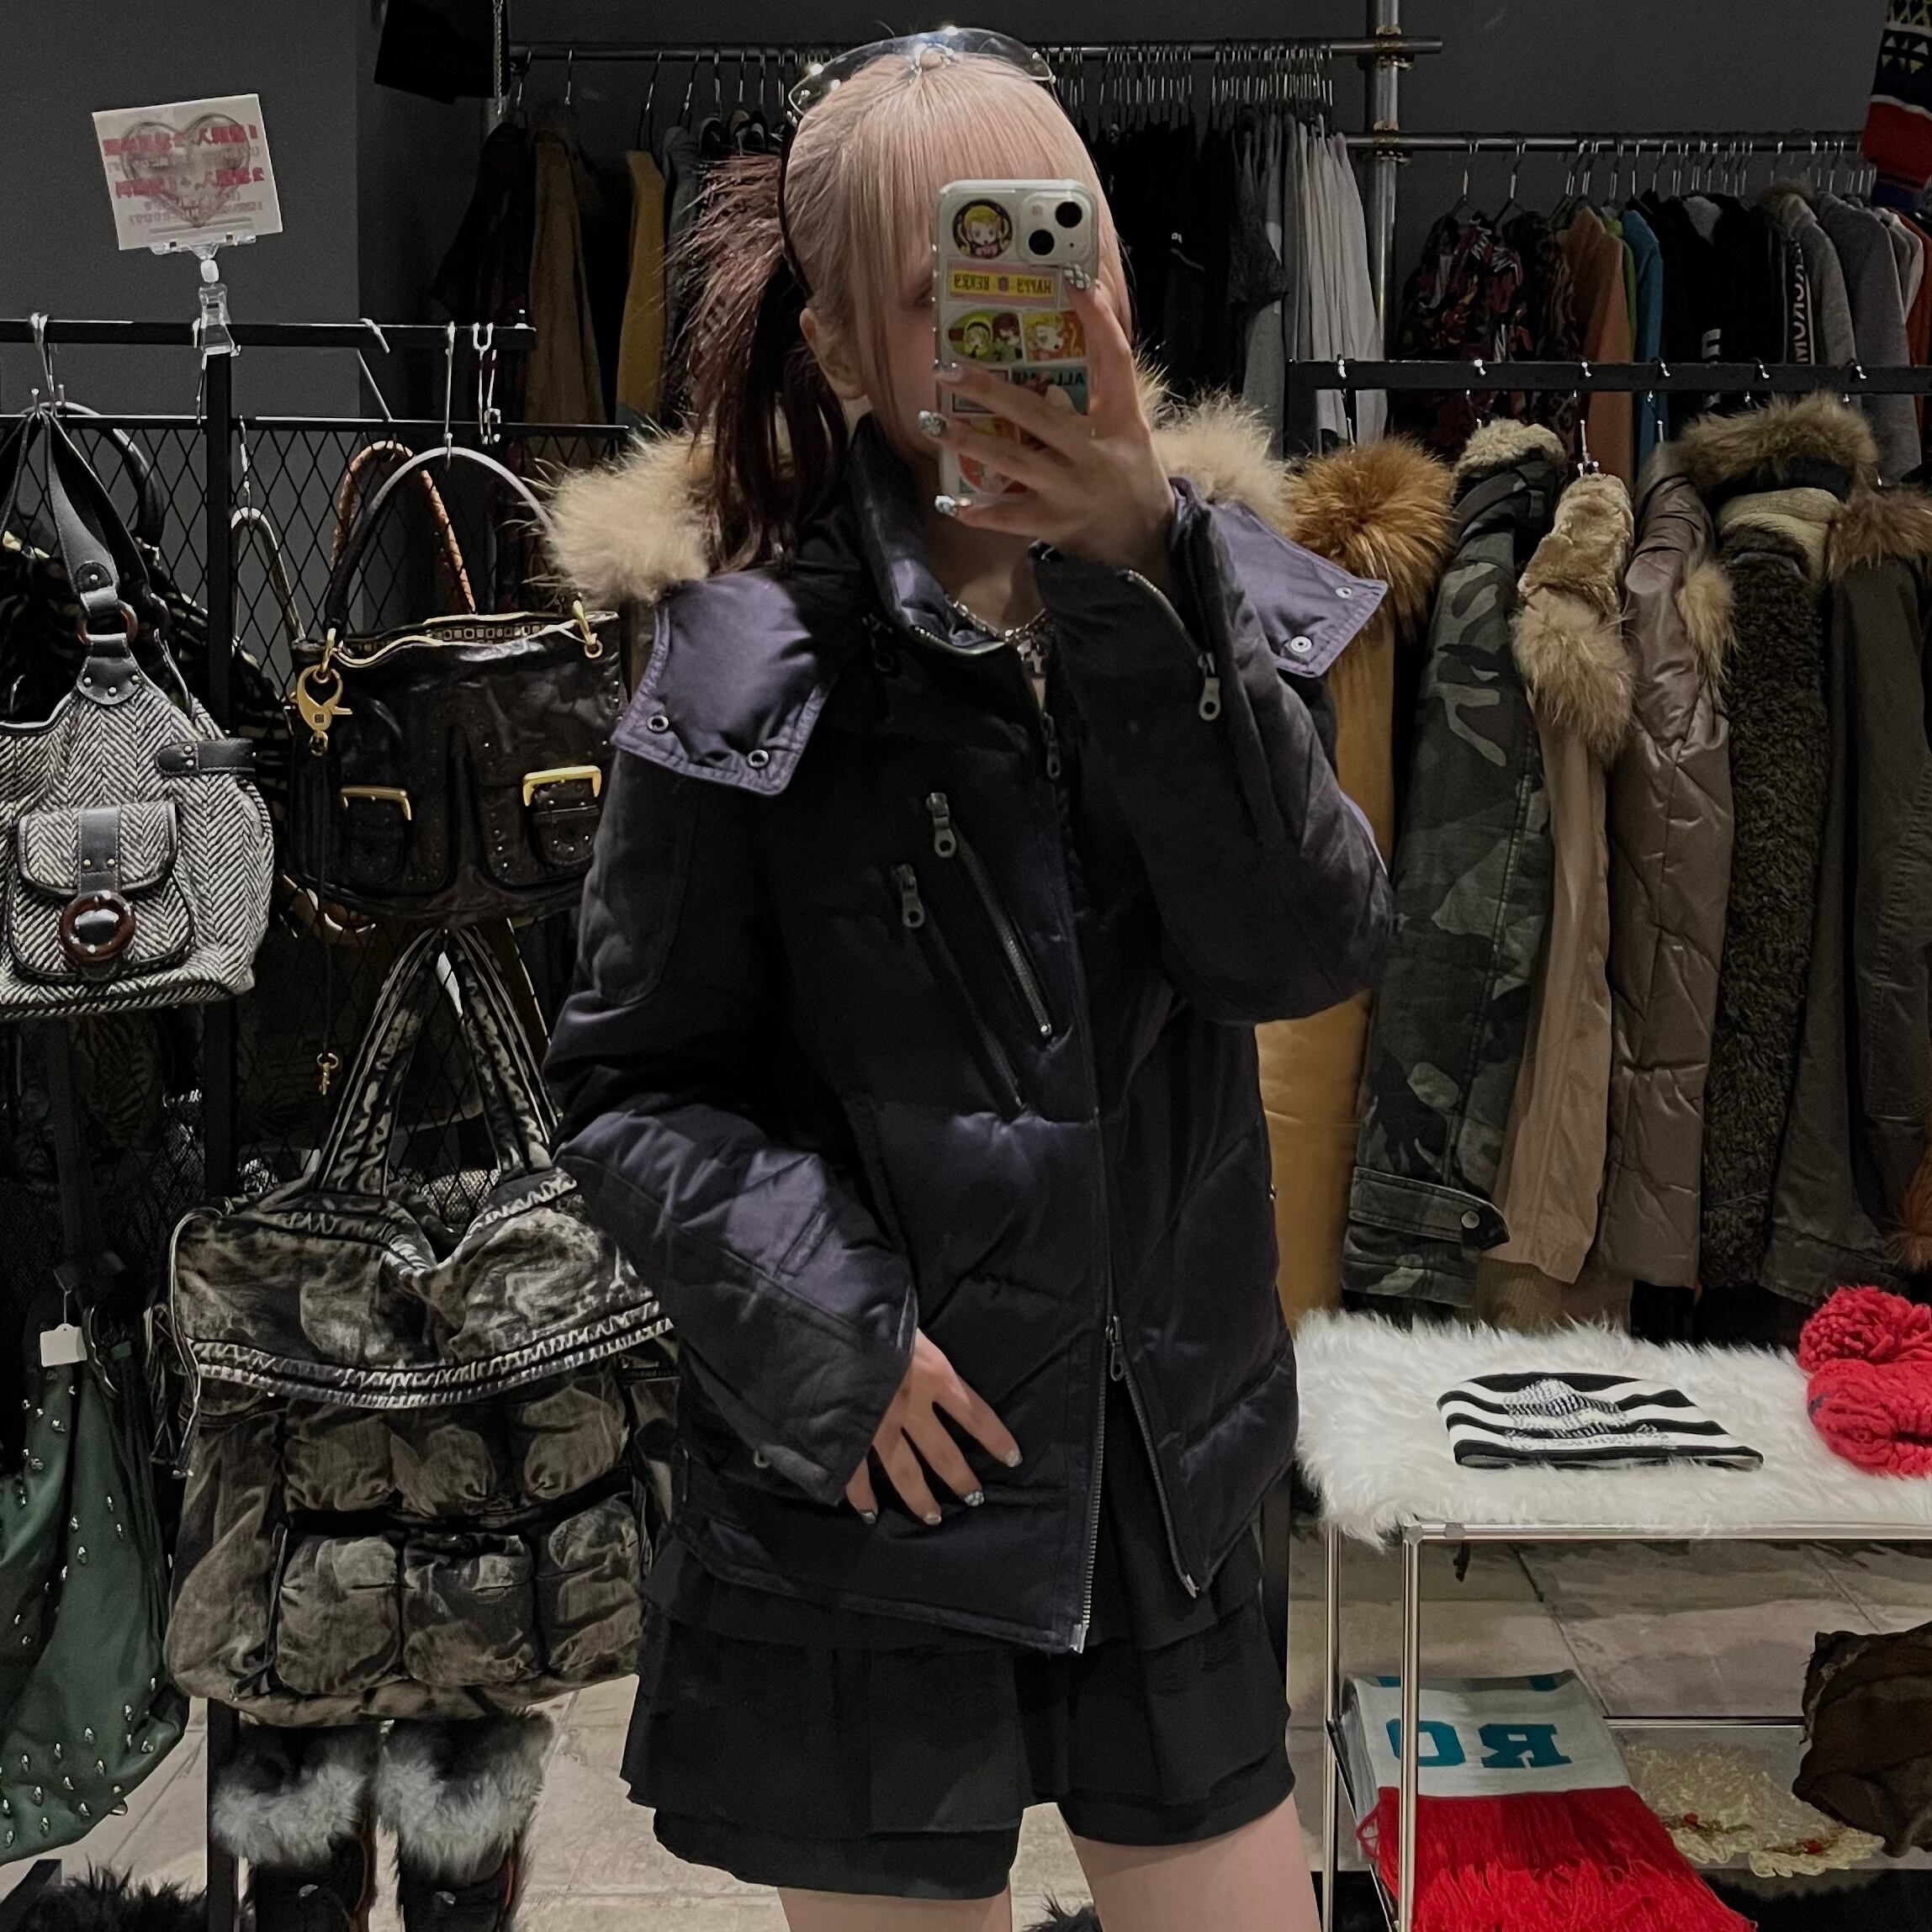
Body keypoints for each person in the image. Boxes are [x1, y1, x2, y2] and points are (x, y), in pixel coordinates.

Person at [543, 29, 1390, 1932]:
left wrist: (1138, 578)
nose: (1034, 325)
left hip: (1162, 1465)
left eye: (1060, 250)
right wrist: (828, 1336)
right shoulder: (743, 666)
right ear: (844, 351)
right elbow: (631, 1083)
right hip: (878, 1479)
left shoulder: (1211, 597)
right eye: (951, 295)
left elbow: (1303, 949)